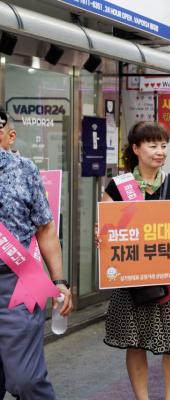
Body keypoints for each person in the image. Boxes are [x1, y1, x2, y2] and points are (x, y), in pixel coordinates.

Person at [101, 122, 170, 400]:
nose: (160, 151)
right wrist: (102, 238)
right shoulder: (118, 187)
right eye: (153, 145)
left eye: (163, 145)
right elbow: (106, 230)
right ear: (136, 149)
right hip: (133, 278)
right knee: (135, 343)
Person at [0, 110, 73, 399]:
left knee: (26, 381)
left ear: (8, 135)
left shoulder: (24, 170)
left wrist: (60, 281)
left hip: (17, 283)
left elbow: (45, 228)